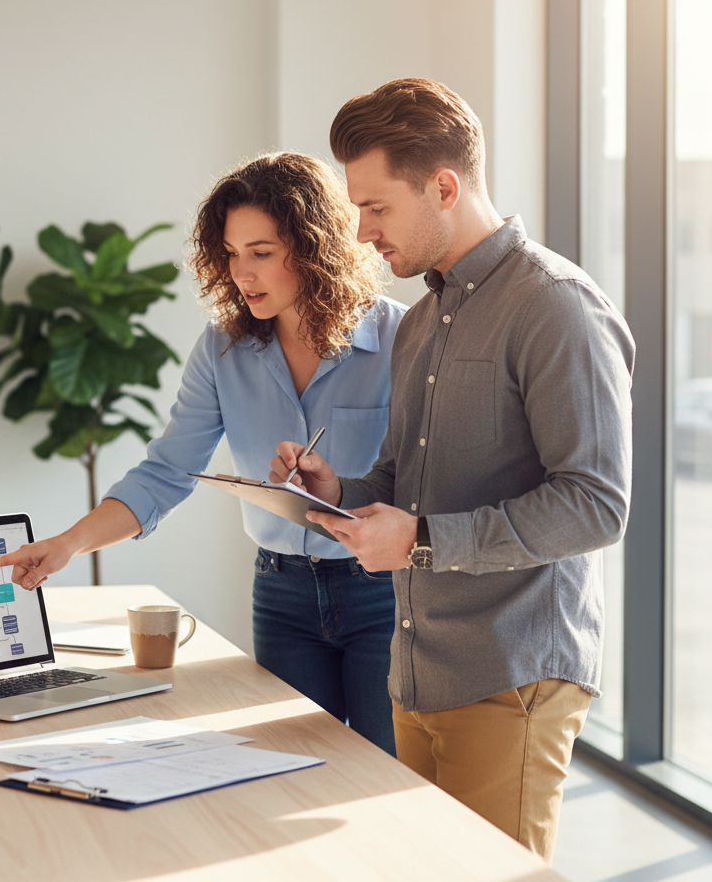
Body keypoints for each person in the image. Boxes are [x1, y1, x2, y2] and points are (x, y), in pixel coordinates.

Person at [270, 79, 635, 861]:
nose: (362, 233)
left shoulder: (557, 307)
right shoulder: (421, 323)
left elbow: (595, 506)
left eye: (375, 207)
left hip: (510, 674)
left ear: (443, 186)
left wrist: (423, 539)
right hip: (418, 669)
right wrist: (336, 490)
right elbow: (404, 481)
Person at [0, 152, 407, 755]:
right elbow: (166, 471)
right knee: (292, 767)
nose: (241, 273)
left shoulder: (401, 340)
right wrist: (68, 543)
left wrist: (344, 487)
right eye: (230, 254)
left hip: (383, 594)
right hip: (282, 596)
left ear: (315, 249)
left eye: (260, 252)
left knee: (383, 773)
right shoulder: (222, 349)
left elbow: (427, 479)